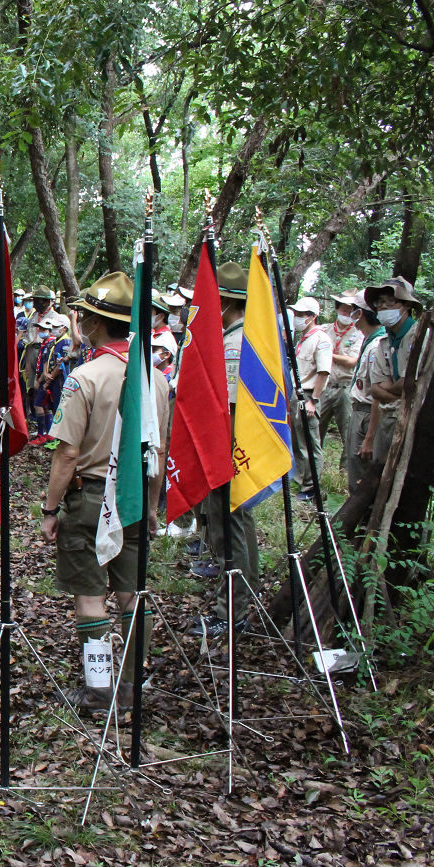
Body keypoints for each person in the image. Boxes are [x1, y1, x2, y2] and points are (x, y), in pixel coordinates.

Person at [39, 271, 171, 708]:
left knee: (91, 595)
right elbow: (158, 450)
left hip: (90, 498)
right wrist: (152, 507)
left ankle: (99, 687)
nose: (82, 324)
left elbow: (67, 453)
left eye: (86, 318)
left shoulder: (85, 377)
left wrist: (50, 508)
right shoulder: (155, 378)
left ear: (96, 324)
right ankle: (132, 684)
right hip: (133, 496)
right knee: (132, 592)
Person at [190, 261, 261, 635]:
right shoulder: (250, 338)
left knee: (229, 529)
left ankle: (231, 609)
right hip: (242, 453)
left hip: (230, 453)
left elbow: (230, 411)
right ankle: (245, 594)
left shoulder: (234, 346)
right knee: (238, 524)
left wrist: (220, 459)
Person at [364, 276, 423, 465]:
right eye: (379, 302)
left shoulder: (420, 336)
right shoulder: (384, 341)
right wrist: (399, 392)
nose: (382, 307)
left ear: (405, 305)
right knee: (381, 469)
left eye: (389, 302)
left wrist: (392, 388)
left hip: (417, 420)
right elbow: (375, 388)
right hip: (390, 418)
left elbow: (409, 382)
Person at [286, 296, 333, 499]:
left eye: (301, 315)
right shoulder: (303, 338)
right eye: (295, 314)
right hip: (298, 394)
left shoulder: (321, 340)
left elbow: (323, 372)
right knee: (298, 440)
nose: (296, 318)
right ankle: (301, 479)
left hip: (308, 395)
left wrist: (313, 400)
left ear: (312, 317)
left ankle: (311, 487)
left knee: (310, 442)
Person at [343, 290, 384, 491]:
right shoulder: (369, 342)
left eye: (353, 311)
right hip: (360, 411)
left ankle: (365, 518)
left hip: (368, 414)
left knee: (362, 468)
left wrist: (369, 436)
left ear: (360, 314)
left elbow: (377, 394)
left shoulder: (377, 346)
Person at [320, 290, 366, 454]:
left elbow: (352, 361)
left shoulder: (359, 333)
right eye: (343, 309)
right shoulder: (324, 330)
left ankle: (345, 471)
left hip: (345, 387)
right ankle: (311, 470)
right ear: (337, 309)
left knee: (348, 432)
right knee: (316, 428)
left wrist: (326, 354)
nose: (346, 313)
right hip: (324, 385)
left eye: (350, 310)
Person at [32, 313, 73, 437]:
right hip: (49, 378)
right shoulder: (54, 342)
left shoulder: (66, 341)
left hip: (58, 380)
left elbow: (60, 365)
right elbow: (46, 359)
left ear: (64, 328)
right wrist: (45, 374)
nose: (53, 329)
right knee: (49, 405)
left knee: (57, 406)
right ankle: (48, 434)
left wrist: (49, 379)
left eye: (57, 327)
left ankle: (56, 435)